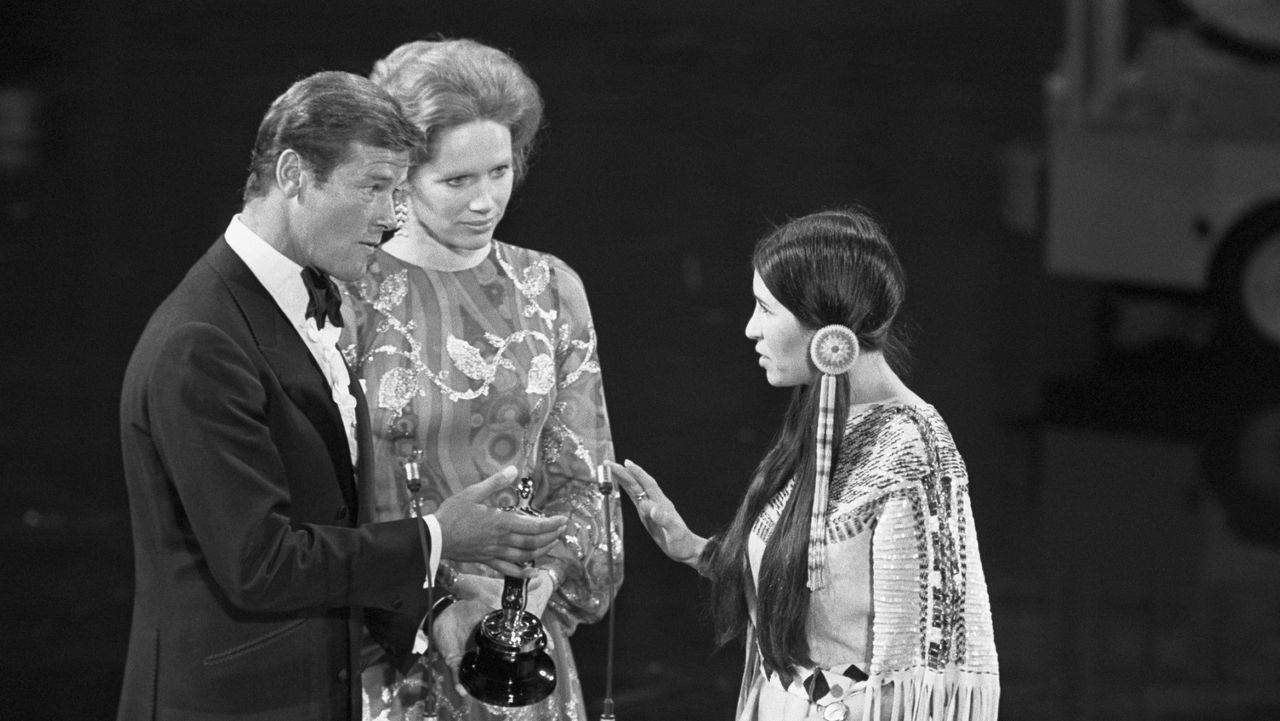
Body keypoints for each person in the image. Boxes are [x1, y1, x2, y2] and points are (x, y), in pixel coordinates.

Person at [117, 71, 568, 721]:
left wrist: (435, 611)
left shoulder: (299, 305)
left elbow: (328, 522)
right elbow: (262, 561)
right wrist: (439, 536)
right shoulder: (201, 340)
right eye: (375, 187)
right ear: (295, 175)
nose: (392, 215)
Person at [608, 207, 1000, 721]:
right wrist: (694, 549)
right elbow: (804, 588)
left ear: (826, 327)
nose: (751, 329)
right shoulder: (823, 419)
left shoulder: (914, 449)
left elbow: (928, 662)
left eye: (765, 309)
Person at [341, 39, 621, 721]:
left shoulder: (549, 287)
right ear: (401, 176)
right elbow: (328, 501)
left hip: (521, 655)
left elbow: (587, 478)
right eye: (457, 180)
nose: (485, 200)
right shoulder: (349, 295)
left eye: (499, 171)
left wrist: (529, 596)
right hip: (389, 652)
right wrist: (439, 601)